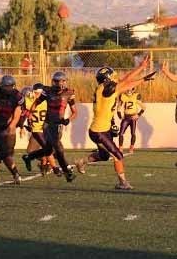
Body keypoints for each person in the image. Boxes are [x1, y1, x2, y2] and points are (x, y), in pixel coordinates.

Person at [73, 59, 155, 190]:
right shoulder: (105, 89)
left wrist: (143, 77)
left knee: (104, 156)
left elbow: (126, 83)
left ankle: (81, 161)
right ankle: (122, 182)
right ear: (107, 79)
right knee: (118, 155)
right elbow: (126, 81)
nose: (116, 79)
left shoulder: (106, 89)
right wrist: (141, 69)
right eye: (113, 77)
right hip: (98, 131)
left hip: (102, 130)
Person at [22, 72, 77, 182]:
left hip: (58, 124)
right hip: (48, 124)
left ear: (65, 82)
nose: (59, 84)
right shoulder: (47, 91)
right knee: (59, 149)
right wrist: (30, 113)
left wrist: (68, 120)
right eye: (56, 81)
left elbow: (75, 112)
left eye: (61, 81)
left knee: (48, 149)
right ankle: (67, 174)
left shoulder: (69, 93)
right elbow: (36, 102)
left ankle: (29, 157)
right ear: (53, 82)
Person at [0, 75, 24, 184]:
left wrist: (12, 126)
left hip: (8, 125)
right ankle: (16, 174)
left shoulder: (17, 96)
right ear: (1, 86)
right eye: (6, 86)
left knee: (9, 152)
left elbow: (17, 114)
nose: (8, 89)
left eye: (10, 86)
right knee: (4, 152)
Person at [21, 83, 60, 176]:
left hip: (46, 129)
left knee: (51, 150)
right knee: (32, 150)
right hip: (36, 130)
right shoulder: (30, 101)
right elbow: (23, 111)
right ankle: (49, 164)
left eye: (38, 93)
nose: (37, 95)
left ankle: (51, 166)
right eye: (35, 92)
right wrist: (24, 124)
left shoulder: (45, 101)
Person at [117, 87, 144, 154]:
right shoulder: (123, 96)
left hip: (132, 117)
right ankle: (120, 148)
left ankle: (131, 147)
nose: (129, 90)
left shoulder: (135, 96)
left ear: (133, 90)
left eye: (131, 89)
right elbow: (119, 107)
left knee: (133, 133)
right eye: (127, 89)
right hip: (126, 117)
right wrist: (120, 115)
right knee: (121, 133)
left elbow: (143, 107)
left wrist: (138, 115)